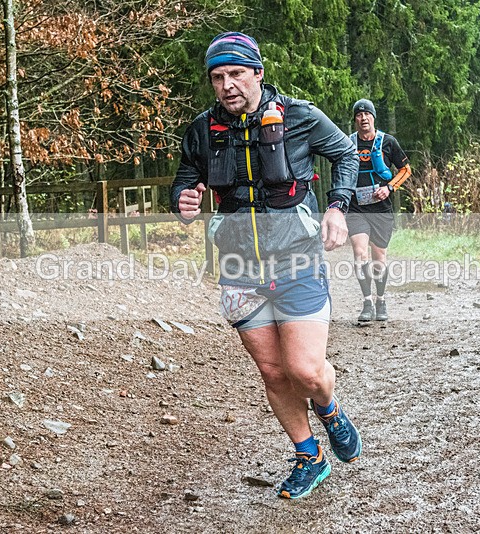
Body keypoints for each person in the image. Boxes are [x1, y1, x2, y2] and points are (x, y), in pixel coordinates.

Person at [171, 32, 362, 500]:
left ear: (258, 72)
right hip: (238, 267)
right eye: (217, 77)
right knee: (274, 373)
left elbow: (345, 154)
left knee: (305, 371)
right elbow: (184, 178)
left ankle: (329, 409)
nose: (227, 85)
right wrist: (183, 197)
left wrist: (337, 206)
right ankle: (309, 456)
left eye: (236, 74)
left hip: (298, 259)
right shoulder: (202, 130)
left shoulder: (298, 116)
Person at [347, 99, 412, 322]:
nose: (363, 118)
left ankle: (381, 300)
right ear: (355, 119)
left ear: (373, 117)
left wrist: (390, 187)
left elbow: (406, 169)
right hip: (356, 208)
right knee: (359, 253)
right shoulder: (348, 143)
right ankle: (366, 302)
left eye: (367, 114)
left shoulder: (388, 142)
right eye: (359, 115)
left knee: (379, 257)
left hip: (381, 209)